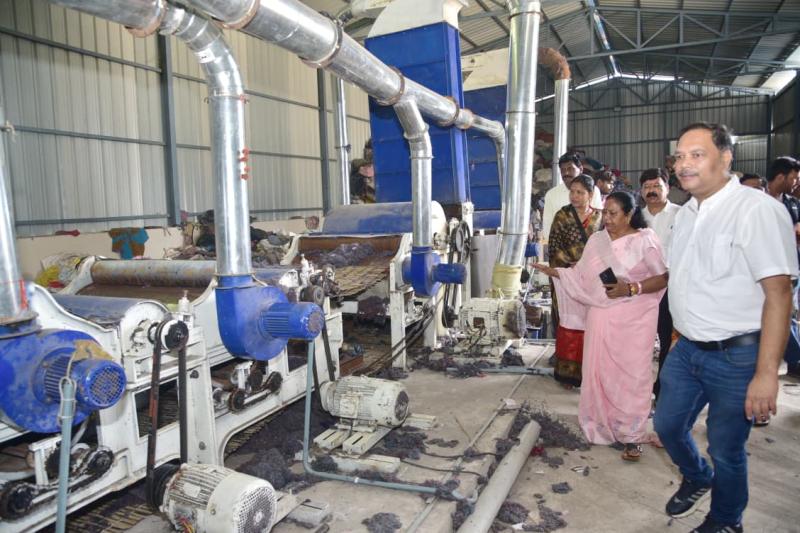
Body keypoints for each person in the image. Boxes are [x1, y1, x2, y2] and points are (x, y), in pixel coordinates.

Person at [654, 123, 797, 533]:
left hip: (738, 355)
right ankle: (698, 476)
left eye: (696, 155)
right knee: (666, 425)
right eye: (680, 156)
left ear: (726, 157)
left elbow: (779, 295)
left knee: (726, 448)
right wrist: (677, 334)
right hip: (687, 349)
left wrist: (766, 374)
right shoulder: (686, 214)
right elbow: (684, 280)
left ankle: (726, 519)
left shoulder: (756, 210)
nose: (684, 164)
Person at [534, 191, 668, 461]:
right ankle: (599, 425)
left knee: (632, 375)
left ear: (629, 214)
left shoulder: (645, 240)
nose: (606, 218)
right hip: (600, 315)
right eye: (605, 212)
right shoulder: (597, 240)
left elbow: (663, 277)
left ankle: (631, 434)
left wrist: (631, 288)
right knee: (599, 370)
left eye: (613, 213)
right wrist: (557, 272)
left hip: (635, 319)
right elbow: (581, 275)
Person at [546, 175, 603, 387]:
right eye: (572, 191)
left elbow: (606, 249)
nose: (575, 196)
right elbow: (554, 246)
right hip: (567, 278)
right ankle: (567, 374)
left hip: (593, 280)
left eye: (580, 192)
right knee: (569, 325)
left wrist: (590, 269)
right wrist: (572, 268)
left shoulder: (600, 217)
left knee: (593, 325)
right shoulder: (562, 215)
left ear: (590, 194)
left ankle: (591, 373)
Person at [640, 168, 682, 405]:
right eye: (647, 187)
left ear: (668, 188)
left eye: (656, 186)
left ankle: (662, 389)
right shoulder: (635, 217)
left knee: (668, 339)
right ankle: (636, 389)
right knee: (639, 341)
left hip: (671, 286)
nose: (651, 191)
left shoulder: (681, 214)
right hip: (640, 289)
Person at [766, 156, 800, 382]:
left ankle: (794, 360)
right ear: (780, 177)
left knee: (788, 314)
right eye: (793, 178)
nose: (796, 183)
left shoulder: (792, 203)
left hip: (790, 268)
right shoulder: (756, 202)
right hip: (764, 271)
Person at [541, 152, 604, 245]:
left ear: (581, 169)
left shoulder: (593, 191)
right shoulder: (552, 195)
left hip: (589, 245)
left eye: (570, 169)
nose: (566, 173)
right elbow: (547, 225)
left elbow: (598, 220)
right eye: (563, 170)